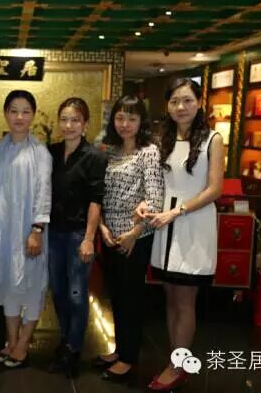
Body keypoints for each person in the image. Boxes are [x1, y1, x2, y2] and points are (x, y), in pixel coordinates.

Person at [140, 78, 223, 391]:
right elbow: (156, 182)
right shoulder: (163, 138)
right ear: (168, 106)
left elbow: (214, 189)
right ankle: (175, 358)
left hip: (193, 224)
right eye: (175, 101)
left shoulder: (213, 139)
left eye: (187, 100)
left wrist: (178, 211)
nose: (181, 107)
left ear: (199, 103)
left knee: (186, 298)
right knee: (171, 296)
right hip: (165, 224)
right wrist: (147, 203)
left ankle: (178, 365)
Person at [96, 95, 164, 383]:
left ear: (141, 122)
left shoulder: (149, 152)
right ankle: (120, 349)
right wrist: (102, 228)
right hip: (110, 236)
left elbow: (155, 197)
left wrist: (134, 234)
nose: (125, 124)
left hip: (135, 237)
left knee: (131, 298)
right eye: (120, 118)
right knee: (115, 295)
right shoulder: (110, 152)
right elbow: (99, 194)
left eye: (132, 118)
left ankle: (128, 358)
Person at [0, 90, 52, 369]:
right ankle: (11, 341)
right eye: (14, 111)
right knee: (8, 284)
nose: (19, 117)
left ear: (33, 116)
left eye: (26, 111)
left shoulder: (39, 152)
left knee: (33, 286)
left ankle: (23, 343)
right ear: (5, 113)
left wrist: (37, 229)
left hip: (29, 231)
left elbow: (44, 192)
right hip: (2, 231)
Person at [46, 97, 107, 375]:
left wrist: (89, 238)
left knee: (77, 293)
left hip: (78, 234)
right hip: (53, 233)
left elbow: (96, 200)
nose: (68, 125)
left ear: (85, 124)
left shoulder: (94, 156)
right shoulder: (51, 152)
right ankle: (65, 338)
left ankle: (73, 349)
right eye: (64, 119)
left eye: (75, 120)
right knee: (58, 291)